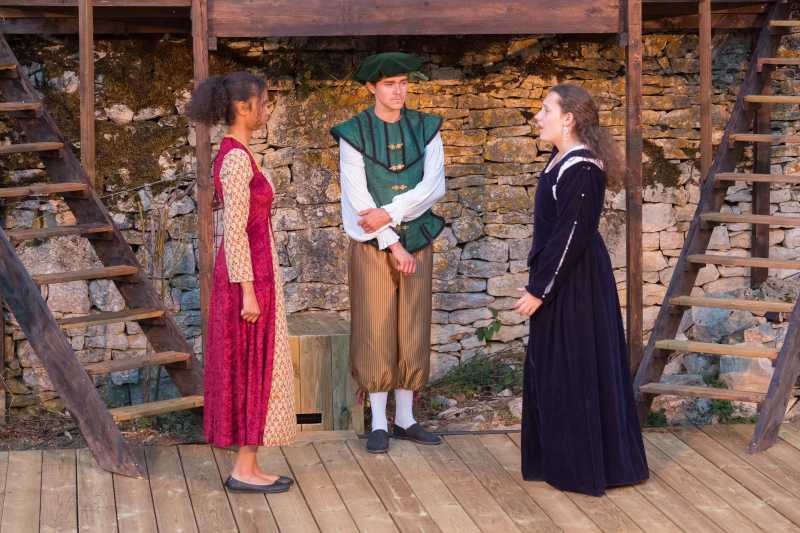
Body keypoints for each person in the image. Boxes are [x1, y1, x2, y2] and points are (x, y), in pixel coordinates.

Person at [515, 84, 648, 496]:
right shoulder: (562, 159)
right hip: (564, 277)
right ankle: (562, 459)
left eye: (546, 109)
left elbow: (571, 234)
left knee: (576, 367)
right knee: (556, 367)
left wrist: (540, 289)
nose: (538, 117)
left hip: (577, 284)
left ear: (568, 118)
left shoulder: (583, 168)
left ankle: (588, 465)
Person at [330, 52, 446, 454]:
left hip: (419, 238)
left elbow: (434, 186)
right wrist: (392, 241)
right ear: (371, 88)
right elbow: (358, 199)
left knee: (413, 323)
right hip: (373, 245)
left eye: (403, 83)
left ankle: (406, 418)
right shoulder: (353, 133)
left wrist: (392, 213)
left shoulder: (427, 128)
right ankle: (379, 421)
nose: (399, 91)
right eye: (389, 84)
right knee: (375, 325)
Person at [187, 71, 296, 493]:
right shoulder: (234, 159)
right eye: (263, 102)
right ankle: (243, 469)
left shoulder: (241, 154)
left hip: (257, 274)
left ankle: (248, 465)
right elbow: (233, 232)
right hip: (246, 281)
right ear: (242, 107)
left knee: (257, 367)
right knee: (251, 368)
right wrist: (248, 291)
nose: (266, 109)